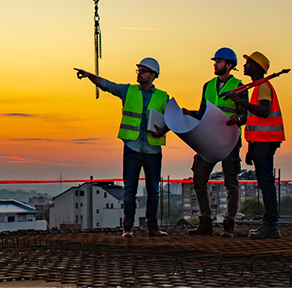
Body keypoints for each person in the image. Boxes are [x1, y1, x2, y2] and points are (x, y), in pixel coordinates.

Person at [75, 58, 170, 238]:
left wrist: (163, 130)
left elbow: (174, 119)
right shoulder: (129, 91)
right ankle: (127, 228)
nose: (139, 73)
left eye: (143, 70)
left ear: (153, 75)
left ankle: (152, 227)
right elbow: (107, 85)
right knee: (129, 189)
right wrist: (90, 77)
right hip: (132, 147)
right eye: (138, 70)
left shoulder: (163, 97)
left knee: (153, 190)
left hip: (152, 150)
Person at [182, 48, 248, 237]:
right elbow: (204, 111)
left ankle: (229, 224)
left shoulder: (239, 86)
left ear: (229, 65)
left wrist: (239, 118)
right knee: (199, 179)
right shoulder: (208, 85)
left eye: (218, 61)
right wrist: (191, 113)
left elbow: (246, 114)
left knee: (231, 183)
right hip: (208, 139)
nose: (214, 64)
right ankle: (206, 222)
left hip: (229, 140)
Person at [222, 51, 285, 240]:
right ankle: (270, 225)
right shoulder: (258, 87)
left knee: (266, 183)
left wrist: (240, 101)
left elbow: (264, 112)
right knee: (265, 182)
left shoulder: (263, 86)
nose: (244, 65)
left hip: (266, 141)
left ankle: (270, 226)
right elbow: (256, 119)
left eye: (248, 62)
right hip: (261, 142)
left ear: (257, 67)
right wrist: (251, 148)